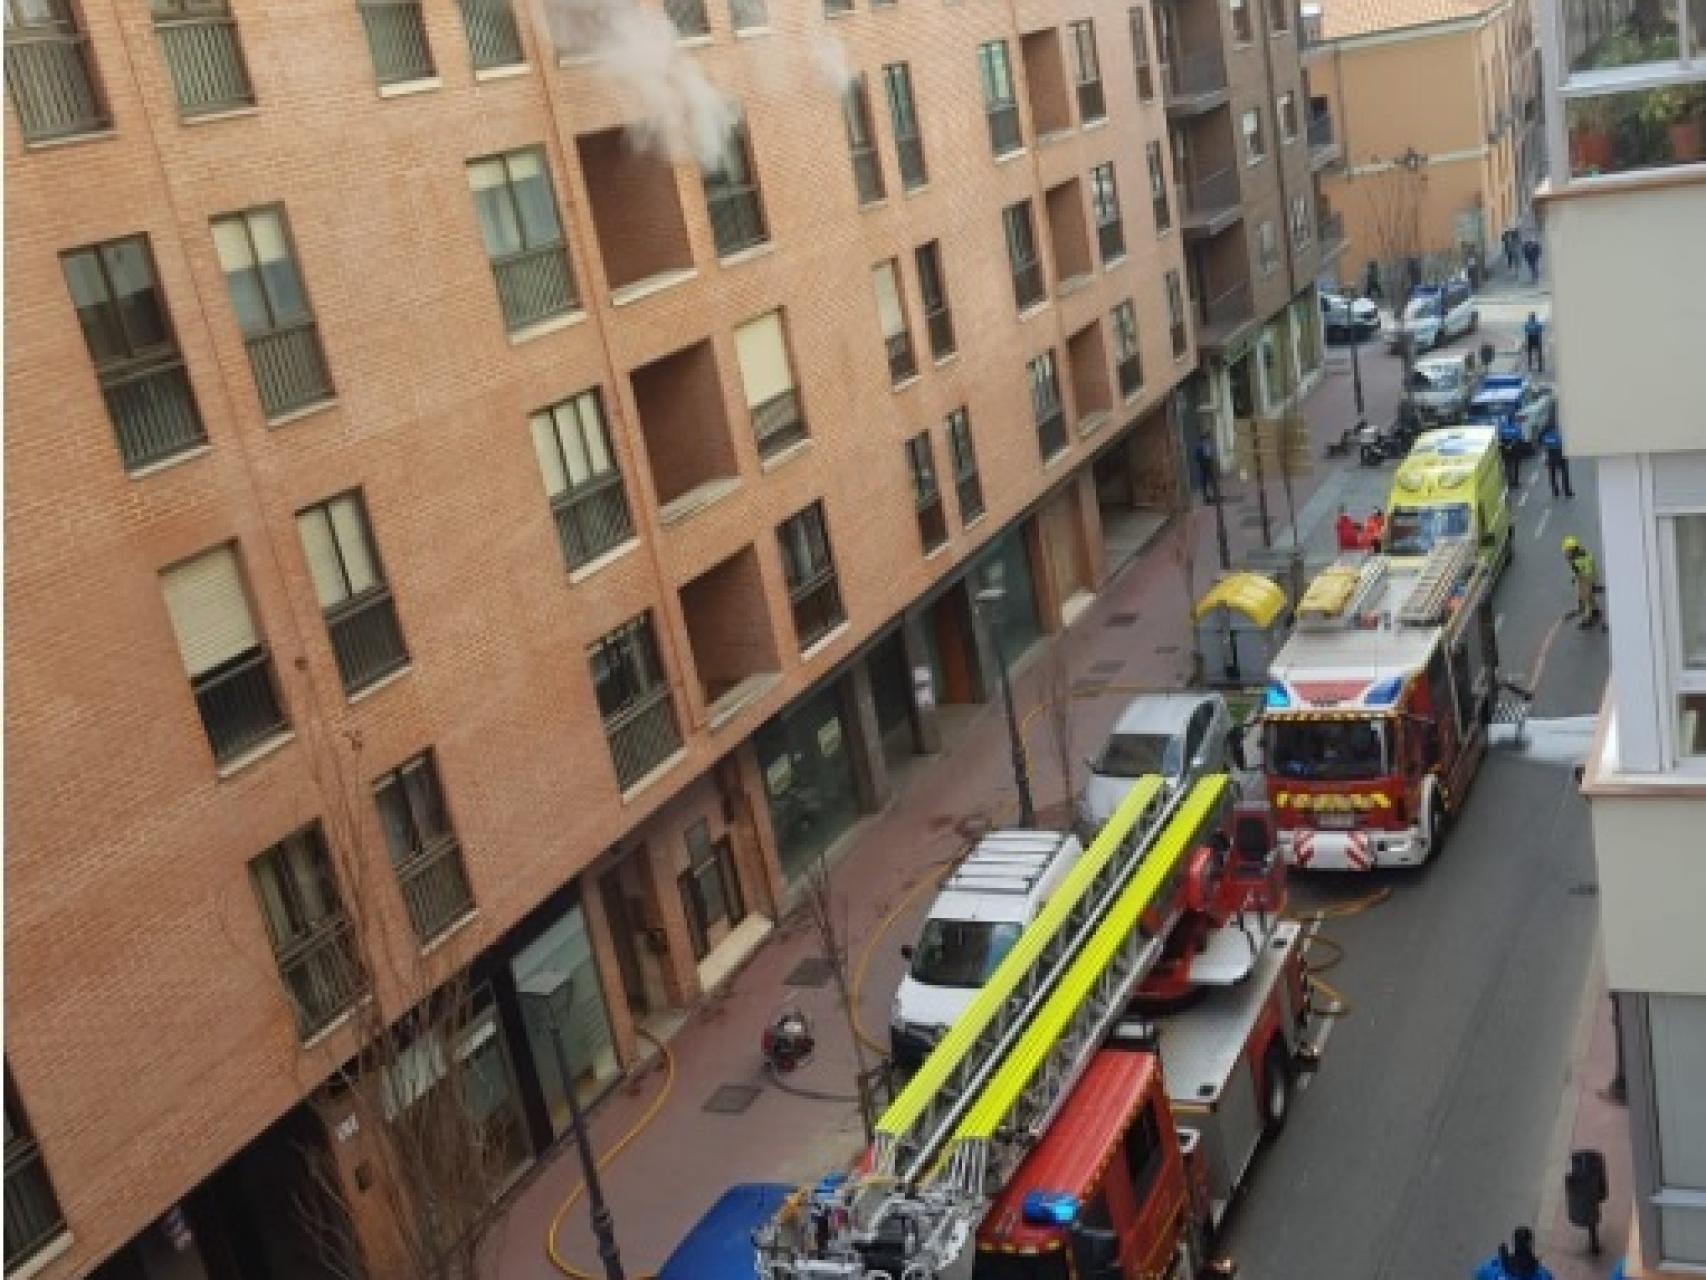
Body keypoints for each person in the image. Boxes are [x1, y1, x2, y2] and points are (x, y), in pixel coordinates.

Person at [1564, 535, 1603, 629]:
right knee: (1589, 597)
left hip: (1586, 579)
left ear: (1572, 550)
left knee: (1586, 599)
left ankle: (1589, 618)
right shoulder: (1580, 555)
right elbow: (1580, 569)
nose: (1565, 553)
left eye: (1567, 551)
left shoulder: (1579, 560)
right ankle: (1595, 611)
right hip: (1587, 578)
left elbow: (1583, 572)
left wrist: (1578, 578)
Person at [1540, 416, 1574, 498]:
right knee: (1564, 472)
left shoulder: (1545, 433)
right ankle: (1567, 491)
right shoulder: (1559, 431)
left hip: (1550, 453)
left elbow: (1543, 444)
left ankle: (1555, 491)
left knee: (1552, 473)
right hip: (1560, 452)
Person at [1195, 433, 1219, 503]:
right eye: (1206, 439)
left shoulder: (1205, 446)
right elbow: (1199, 457)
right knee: (1207, 481)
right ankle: (1208, 497)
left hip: (1206, 465)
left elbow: (1210, 455)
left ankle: (1212, 496)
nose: (1207, 440)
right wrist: (1204, 462)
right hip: (1205, 466)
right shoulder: (1201, 446)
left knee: (1209, 481)